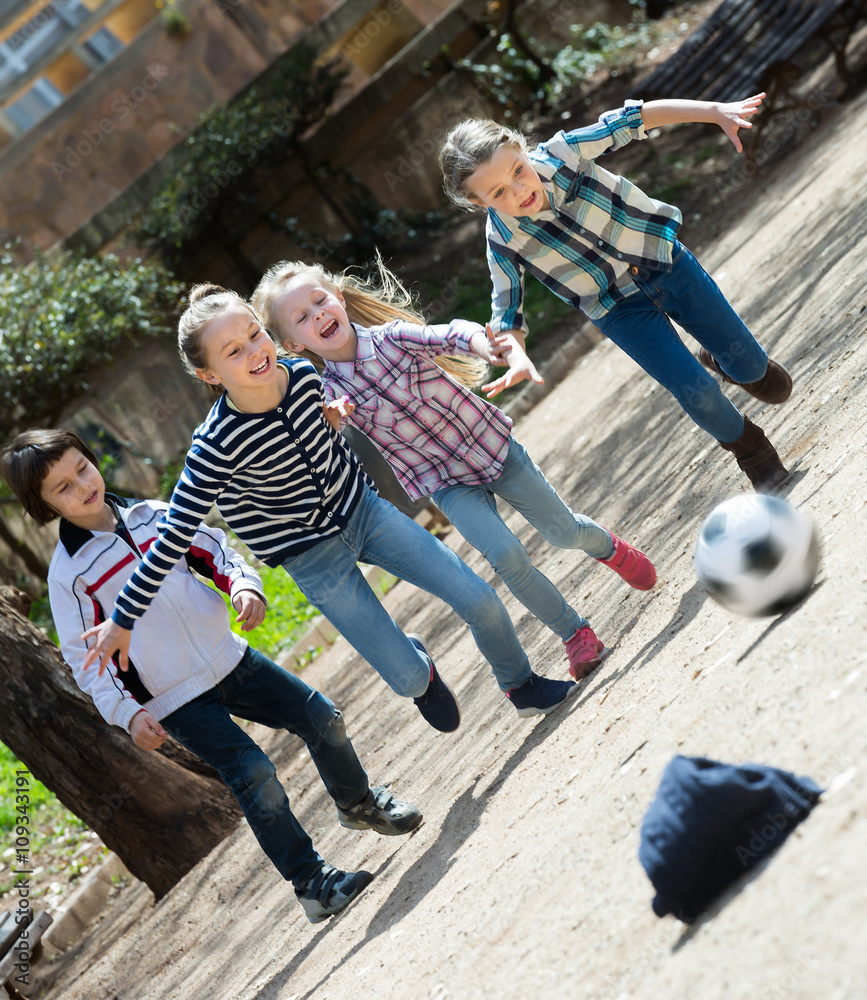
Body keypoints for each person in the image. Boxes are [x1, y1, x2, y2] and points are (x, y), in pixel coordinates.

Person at [77, 285, 581, 725]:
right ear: (209, 375)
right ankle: (418, 668)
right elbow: (171, 540)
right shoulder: (214, 446)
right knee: (406, 680)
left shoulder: (301, 374)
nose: (255, 351)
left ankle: (521, 684)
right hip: (308, 556)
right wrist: (123, 620)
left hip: (364, 511)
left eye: (255, 334)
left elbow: (319, 424)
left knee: (481, 601)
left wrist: (332, 420)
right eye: (233, 351)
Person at [0, 429, 427, 923]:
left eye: (81, 468)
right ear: (44, 505)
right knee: (254, 774)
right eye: (62, 487)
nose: (81, 485)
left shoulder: (155, 516)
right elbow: (85, 661)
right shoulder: (68, 576)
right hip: (174, 698)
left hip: (231, 658)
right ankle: (311, 882)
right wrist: (127, 713)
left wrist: (244, 586)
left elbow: (216, 551)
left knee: (322, 718)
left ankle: (358, 803)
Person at [251, 257, 656, 681]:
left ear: (339, 299)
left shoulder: (392, 337)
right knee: (507, 557)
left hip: (493, 449)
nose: (318, 315)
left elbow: (446, 335)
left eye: (320, 302)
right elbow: (324, 440)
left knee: (563, 532)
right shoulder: (328, 392)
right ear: (293, 344)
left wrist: (487, 346)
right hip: (446, 485)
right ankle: (575, 634)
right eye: (301, 317)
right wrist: (332, 422)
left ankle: (608, 548)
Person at [438, 93, 793, 493]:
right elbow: (507, 310)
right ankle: (755, 456)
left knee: (763, 378)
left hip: (664, 263)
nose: (518, 192)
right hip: (619, 310)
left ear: (521, 147)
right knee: (698, 393)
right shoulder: (502, 240)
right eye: (498, 193)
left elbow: (632, 119)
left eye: (518, 171)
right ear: (477, 202)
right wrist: (516, 354)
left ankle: (726, 360)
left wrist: (713, 113)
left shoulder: (565, 152)